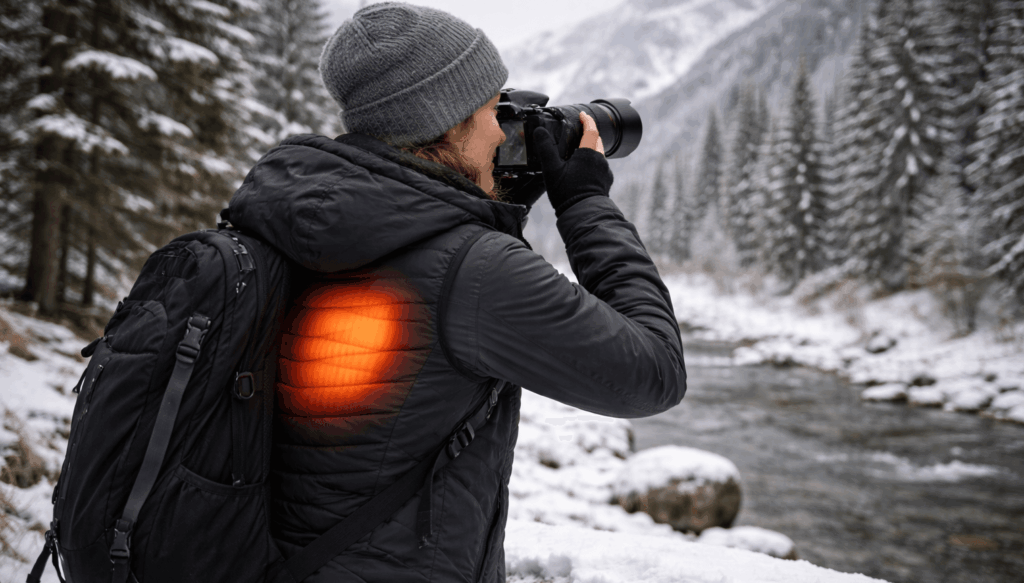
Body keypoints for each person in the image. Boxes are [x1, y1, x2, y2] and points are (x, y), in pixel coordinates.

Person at [225, 2, 686, 581]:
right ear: (447, 120)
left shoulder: (296, 220)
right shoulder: (473, 270)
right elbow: (655, 374)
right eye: (494, 108)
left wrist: (487, 203)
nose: (505, 128)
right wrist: (586, 203)